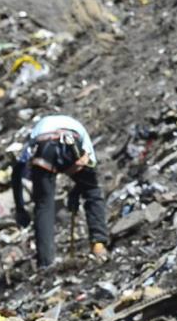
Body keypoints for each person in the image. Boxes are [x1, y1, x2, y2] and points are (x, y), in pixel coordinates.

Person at [11, 114, 108, 267]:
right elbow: (89, 171)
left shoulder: (35, 134)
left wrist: (20, 208)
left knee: (44, 205)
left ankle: (46, 262)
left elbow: (17, 171)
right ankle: (98, 245)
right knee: (93, 193)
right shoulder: (79, 130)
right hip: (71, 143)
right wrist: (79, 189)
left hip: (43, 148)